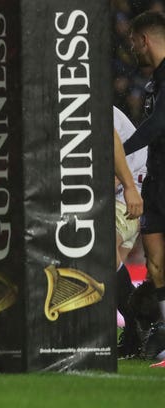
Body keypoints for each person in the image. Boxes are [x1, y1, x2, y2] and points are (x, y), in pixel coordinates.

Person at [122, 11, 165, 354]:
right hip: (156, 182)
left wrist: (119, 153)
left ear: (145, 40)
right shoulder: (154, 82)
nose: (131, 47)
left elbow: (158, 125)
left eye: (133, 40)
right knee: (155, 265)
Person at [113, 106, 146, 357]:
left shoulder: (88, 105)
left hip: (127, 188)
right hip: (115, 189)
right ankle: (138, 328)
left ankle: (140, 323)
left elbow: (114, 155)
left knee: (102, 251)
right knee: (110, 267)